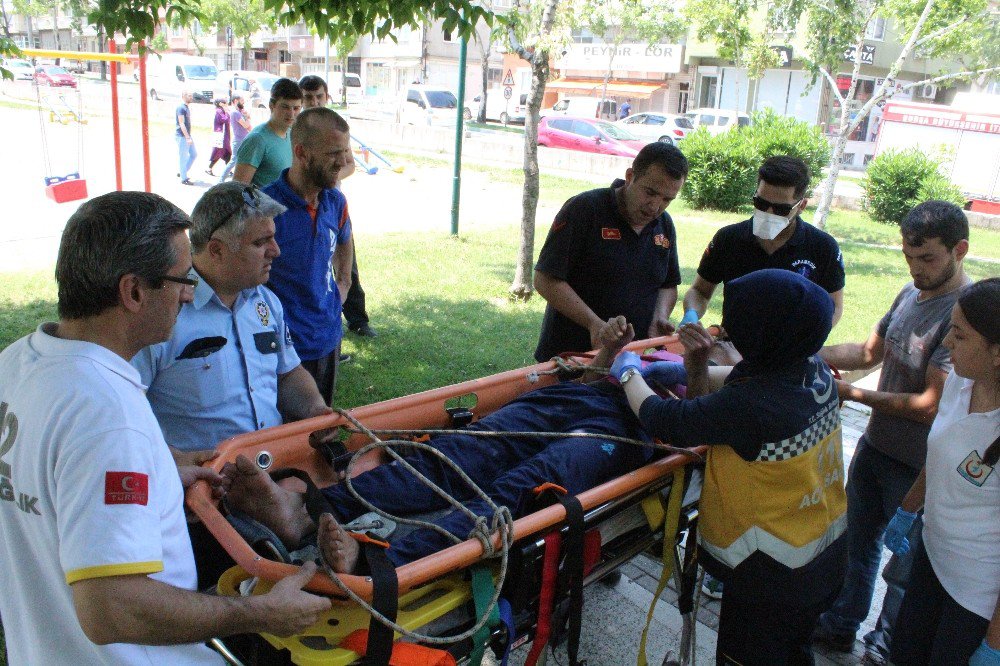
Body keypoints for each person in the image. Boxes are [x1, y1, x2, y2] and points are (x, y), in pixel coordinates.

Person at [0, 191, 332, 664]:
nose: (189, 293)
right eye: (181, 279)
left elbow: (53, 487)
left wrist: (158, 470)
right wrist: (255, 611)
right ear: (133, 291)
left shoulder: (17, 364)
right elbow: (109, 608)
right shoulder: (107, 414)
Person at [221, 315, 661, 569]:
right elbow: (594, 373)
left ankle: (379, 561)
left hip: (628, 427)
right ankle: (306, 514)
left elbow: (680, 418)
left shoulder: (720, 374)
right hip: (580, 394)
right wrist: (608, 353)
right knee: (456, 453)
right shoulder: (679, 347)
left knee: (525, 487)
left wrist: (667, 369)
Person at [613, 269, 848, 665]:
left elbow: (666, 420)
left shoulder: (751, 407)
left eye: (733, 329)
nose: (725, 333)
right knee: (793, 653)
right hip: (822, 556)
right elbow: (742, 384)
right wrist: (688, 368)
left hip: (769, 578)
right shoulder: (811, 368)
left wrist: (629, 372)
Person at [131, 182, 334, 588]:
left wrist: (315, 410)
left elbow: (287, 372)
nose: (276, 251)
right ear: (218, 248)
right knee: (218, 593)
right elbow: (124, 405)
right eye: (262, 242)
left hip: (274, 477)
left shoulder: (264, 302)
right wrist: (173, 464)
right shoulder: (164, 312)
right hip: (202, 502)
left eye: (273, 239)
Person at [812, 200, 971, 665]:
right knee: (853, 544)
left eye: (928, 259)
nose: (916, 269)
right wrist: (809, 351)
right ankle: (841, 625)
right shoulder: (909, 292)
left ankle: (887, 646)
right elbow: (867, 353)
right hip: (875, 449)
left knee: (903, 570)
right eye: (908, 257)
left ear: (960, 249)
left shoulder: (964, 315)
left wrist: (851, 396)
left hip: (920, 469)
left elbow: (929, 405)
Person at [884, 278, 1000, 666]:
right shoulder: (961, 383)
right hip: (933, 558)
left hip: (977, 596)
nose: (947, 342)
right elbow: (940, 457)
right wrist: (907, 509)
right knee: (905, 654)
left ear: (997, 353)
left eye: (960, 335)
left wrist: (995, 643)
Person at [681, 156, 845, 365]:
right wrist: (692, 314)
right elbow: (700, 291)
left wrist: (804, 343)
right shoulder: (729, 239)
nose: (768, 213)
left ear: (801, 205)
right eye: (760, 203)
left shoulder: (822, 248)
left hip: (789, 359)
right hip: (730, 353)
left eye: (780, 209)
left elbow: (834, 307)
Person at [533, 141, 688, 362]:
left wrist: (659, 316)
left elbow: (668, 284)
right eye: (650, 192)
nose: (655, 207)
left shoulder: (664, 225)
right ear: (630, 176)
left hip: (630, 361)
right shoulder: (585, 209)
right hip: (571, 356)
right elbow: (545, 279)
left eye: (667, 200)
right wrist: (593, 324)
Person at [263, 107, 354, 404]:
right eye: (333, 153)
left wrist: (343, 285)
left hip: (328, 340)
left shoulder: (335, 201)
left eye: (345, 151)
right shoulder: (263, 208)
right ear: (302, 153)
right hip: (283, 351)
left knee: (321, 431)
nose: (343, 162)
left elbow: (344, 242)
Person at [299, 74, 377, 339]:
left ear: (327, 96)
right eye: (308, 97)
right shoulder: (296, 129)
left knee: (346, 264)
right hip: (301, 207)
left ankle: (357, 319)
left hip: (333, 207)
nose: (313, 101)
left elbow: (350, 164)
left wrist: (328, 177)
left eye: (318, 96)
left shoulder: (336, 128)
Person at [233, 77, 303, 188]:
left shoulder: (291, 135)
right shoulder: (257, 140)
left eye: (296, 108)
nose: (291, 114)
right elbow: (238, 190)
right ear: (271, 105)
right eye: (285, 107)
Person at [219, 93, 253, 183]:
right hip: (238, 140)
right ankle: (221, 180)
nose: (243, 102)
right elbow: (246, 125)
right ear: (235, 101)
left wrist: (247, 116)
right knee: (234, 161)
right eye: (241, 100)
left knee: (243, 161)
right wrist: (248, 118)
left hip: (243, 139)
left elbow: (249, 128)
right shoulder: (235, 113)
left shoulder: (239, 113)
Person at [205, 98, 232, 177]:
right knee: (220, 152)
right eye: (225, 103)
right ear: (220, 104)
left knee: (227, 152)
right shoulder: (219, 111)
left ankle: (228, 170)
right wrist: (227, 112)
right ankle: (209, 168)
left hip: (224, 135)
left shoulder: (221, 111)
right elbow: (225, 120)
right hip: (221, 135)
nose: (227, 104)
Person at [176, 89, 197, 185]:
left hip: (188, 135)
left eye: (191, 95)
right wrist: (187, 137)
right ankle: (184, 178)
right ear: (183, 96)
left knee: (194, 154)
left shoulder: (186, 107)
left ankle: (182, 171)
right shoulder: (181, 108)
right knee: (183, 157)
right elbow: (181, 123)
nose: (191, 97)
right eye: (189, 95)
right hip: (182, 136)